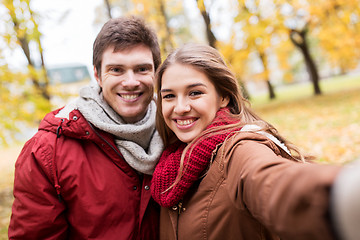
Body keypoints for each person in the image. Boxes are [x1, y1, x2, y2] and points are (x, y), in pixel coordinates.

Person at [151, 43, 343, 240]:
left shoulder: (240, 149)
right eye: (169, 96)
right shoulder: (169, 162)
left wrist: (344, 197)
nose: (180, 107)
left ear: (224, 96)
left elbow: (275, 183)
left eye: (195, 93)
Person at [9, 16, 164, 240]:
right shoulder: (48, 151)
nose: (130, 81)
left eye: (141, 69)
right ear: (98, 75)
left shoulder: (178, 131)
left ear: (156, 73)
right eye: (117, 70)